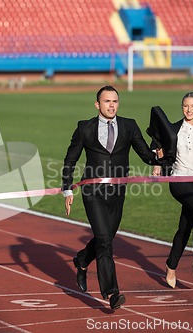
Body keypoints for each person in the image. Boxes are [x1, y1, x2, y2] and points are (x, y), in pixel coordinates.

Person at [62, 85, 163, 310]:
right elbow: (70, 160)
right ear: (97, 104)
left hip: (118, 192)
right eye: (107, 101)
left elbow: (146, 155)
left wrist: (158, 158)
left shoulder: (129, 126)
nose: (111, 105)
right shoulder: (84, 128)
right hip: (93, 193)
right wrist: (67, 189)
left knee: (105, 237)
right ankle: (111, 292)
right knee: (105, 241)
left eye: (115, 101)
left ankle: (81, 260)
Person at [151, 92, 193, 288]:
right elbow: (157, 147)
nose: (189, 110)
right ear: (182, 107)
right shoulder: (172, 129)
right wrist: (158, 160)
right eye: (186, 106)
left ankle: (171, 266)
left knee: (185, 227)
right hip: (179, 179)